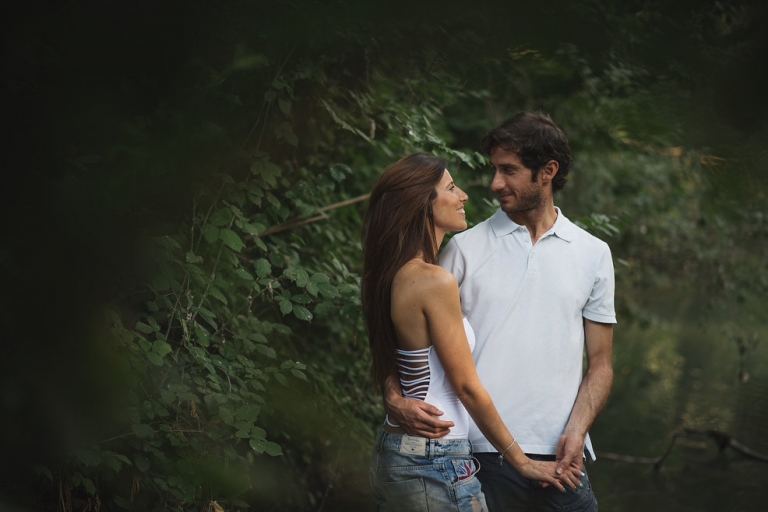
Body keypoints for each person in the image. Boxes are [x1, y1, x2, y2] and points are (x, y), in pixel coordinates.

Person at [384, 113, 616, 511]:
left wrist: (577, 432)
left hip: (561, 458)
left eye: (508, 171)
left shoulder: (593, 253)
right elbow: (407, 339)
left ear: (548, 171)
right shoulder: (462, 249)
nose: (494, 184)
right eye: (494, 169)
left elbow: (601, 363)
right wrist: (393, 397)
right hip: (476, 455)